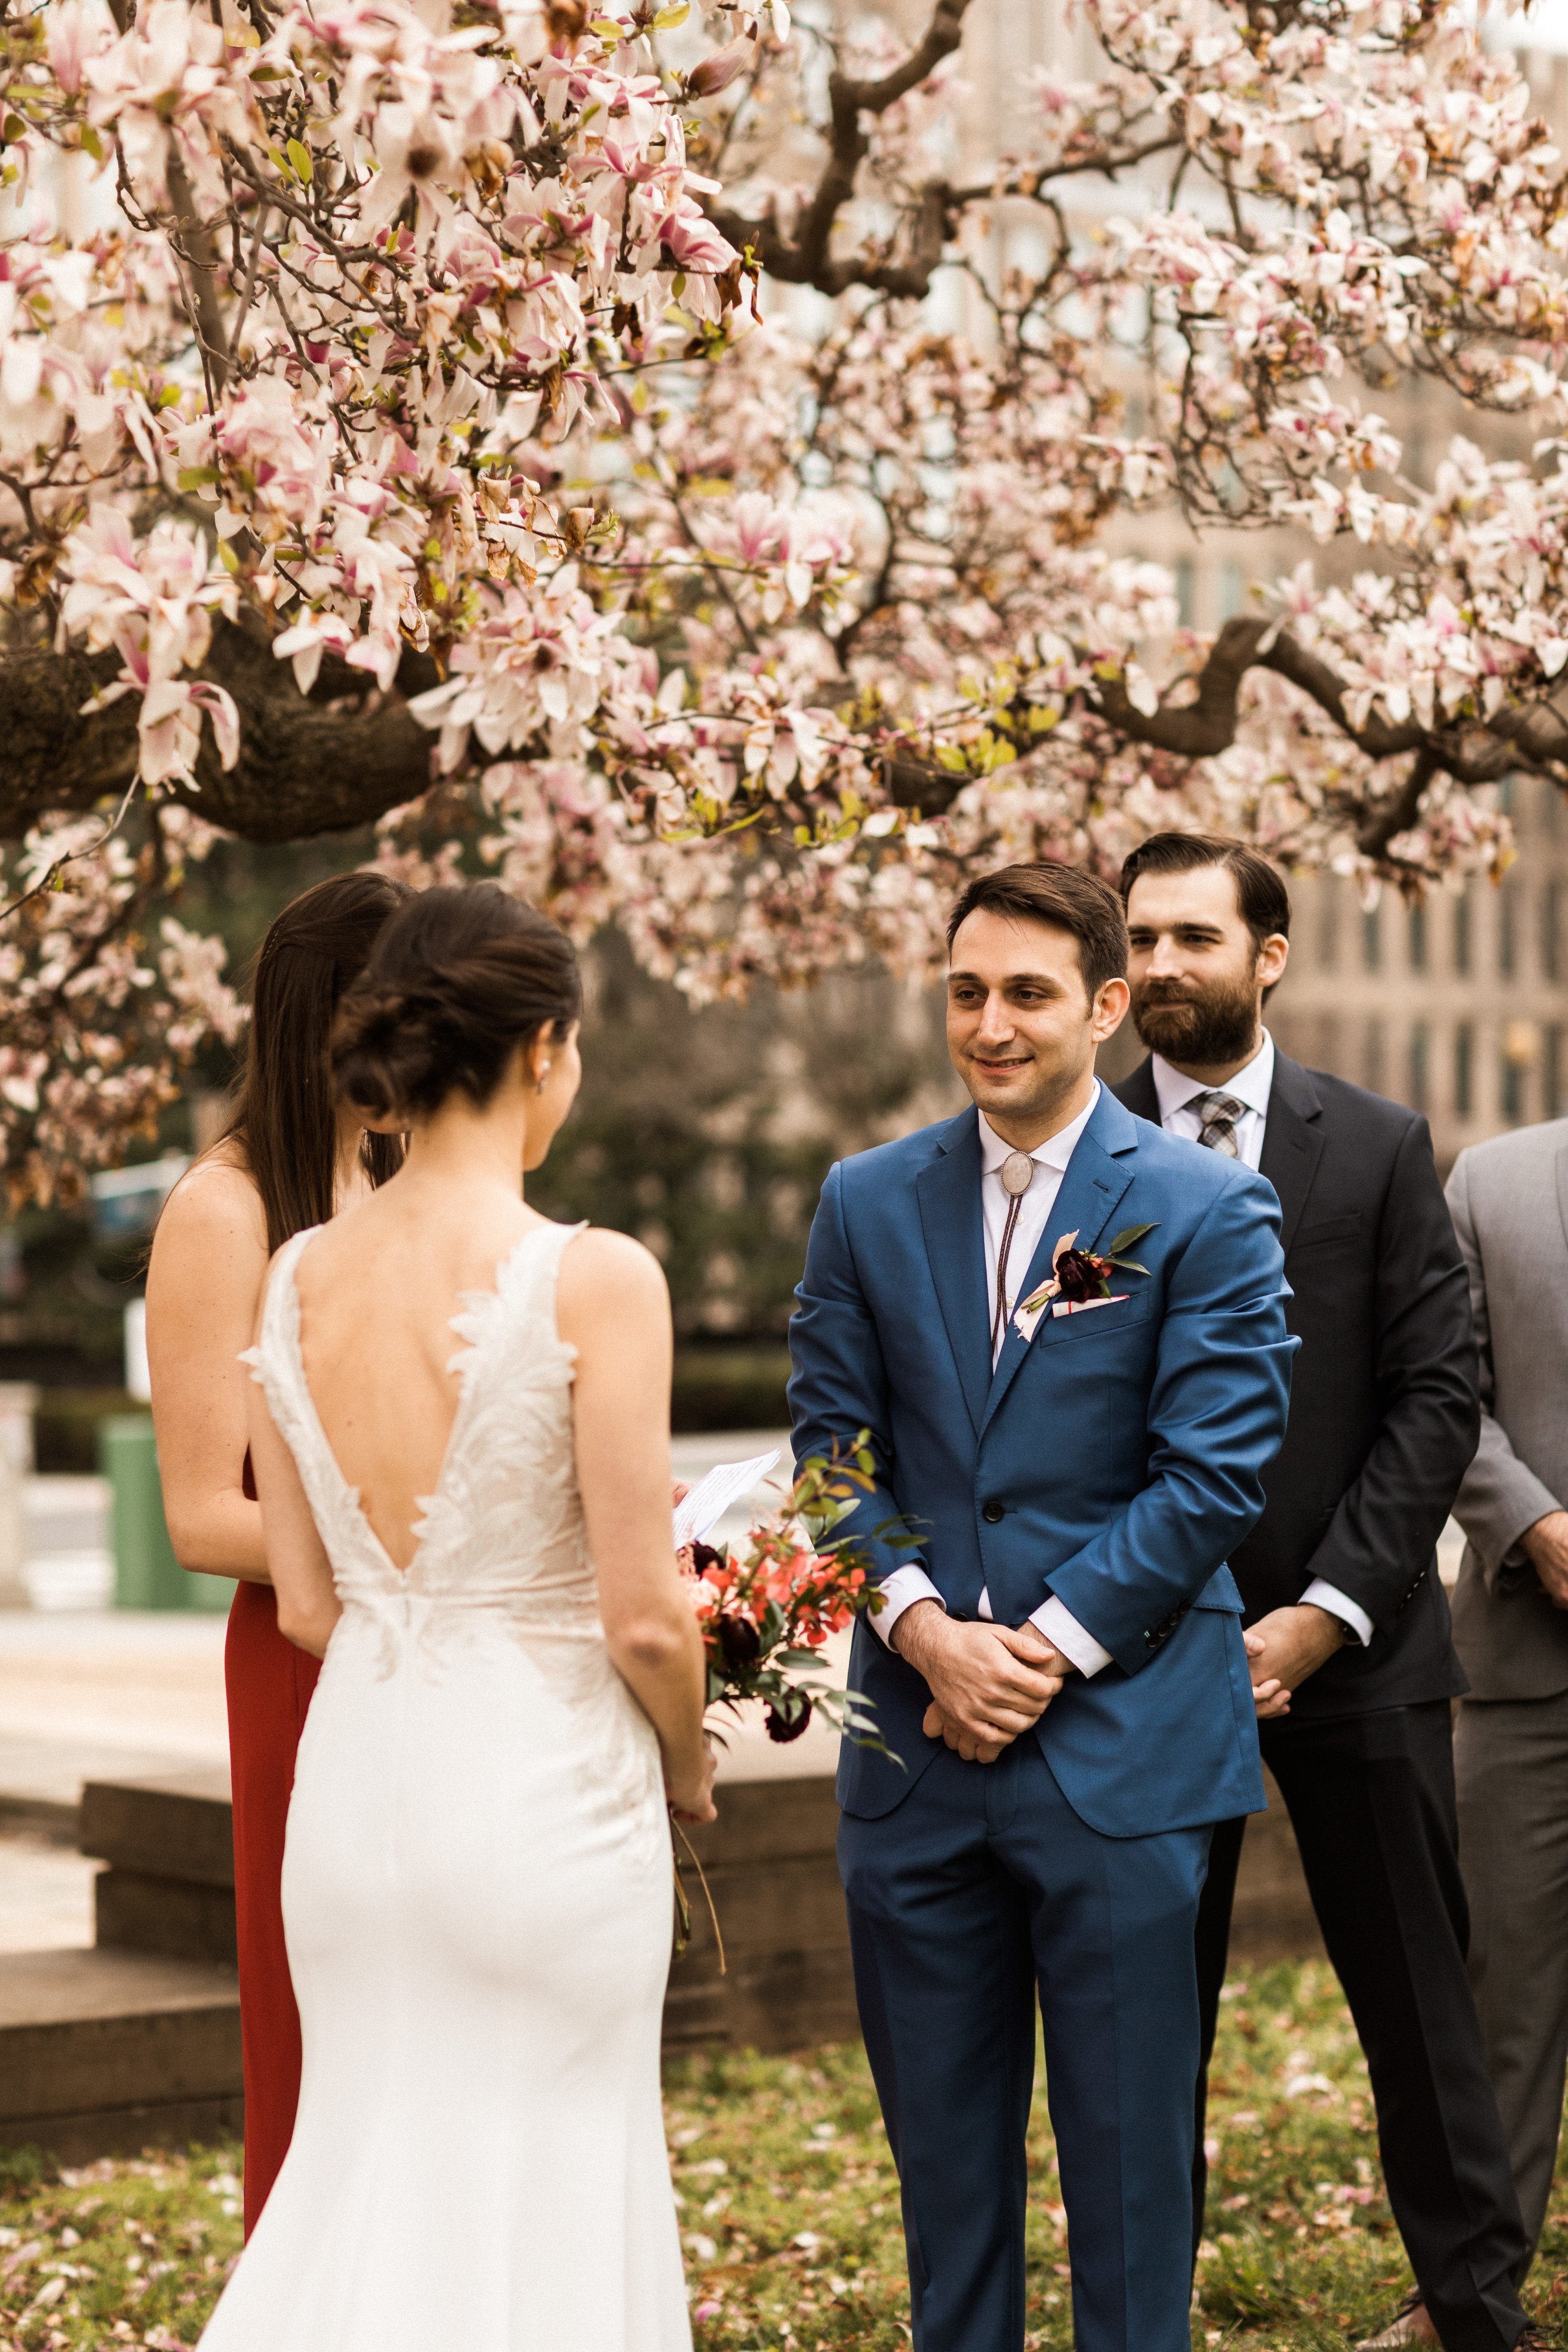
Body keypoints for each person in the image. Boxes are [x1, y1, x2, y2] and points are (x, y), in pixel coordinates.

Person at [196, 882, 714, 2352]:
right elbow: (643, 1620)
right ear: (544, 1046)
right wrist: (683, 1758)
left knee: (363, 2168)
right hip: (541, 1804)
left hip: (357, 1806)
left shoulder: (297, 1270)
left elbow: (306, 1598)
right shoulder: (593, 1274)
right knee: (547, 2182)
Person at [789, 860, 1295, 2352]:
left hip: (1122, 1754)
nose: (990, 1023)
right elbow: (830, 1452)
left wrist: (1043, 1647)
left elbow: (1212, 1476)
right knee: (943, 2185)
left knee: (1134, 2186)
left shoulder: (1209, 1206)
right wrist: (925, 1630)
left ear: (1107, 1003)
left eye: (1025, 991)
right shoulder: (863, 1199)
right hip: (913, 1752)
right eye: (965, 991)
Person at [1111, 831, 1534, 2352]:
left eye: (1192, 940)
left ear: (1265, 956)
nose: (1159, 966)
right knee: (1150, 2021)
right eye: (1139, 939)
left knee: (1421, 2012)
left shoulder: (1372, 1143)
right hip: (1147, 1663)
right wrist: (1159, 1614)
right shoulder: (1070, 1150)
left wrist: (1323, 1611)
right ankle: (1134, 2310)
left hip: (1354, 1653)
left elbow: (1434, 1395)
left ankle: (1475, 2309)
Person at [146, 870, 410, 2236]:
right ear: (334, 1017)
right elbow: (200, 1513)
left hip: (432, 1656)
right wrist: (415, 1564)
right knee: (315, 2034)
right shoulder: (223, 1207)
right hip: (306, 1656)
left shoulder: (402, 1178)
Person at [1447, 1115, 1568, 2280]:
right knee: (1503, 1994)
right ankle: (1475, 2292)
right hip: (1531, 1662)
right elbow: (1443, 1393)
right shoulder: (1489, 1177)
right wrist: (1532, 1523)